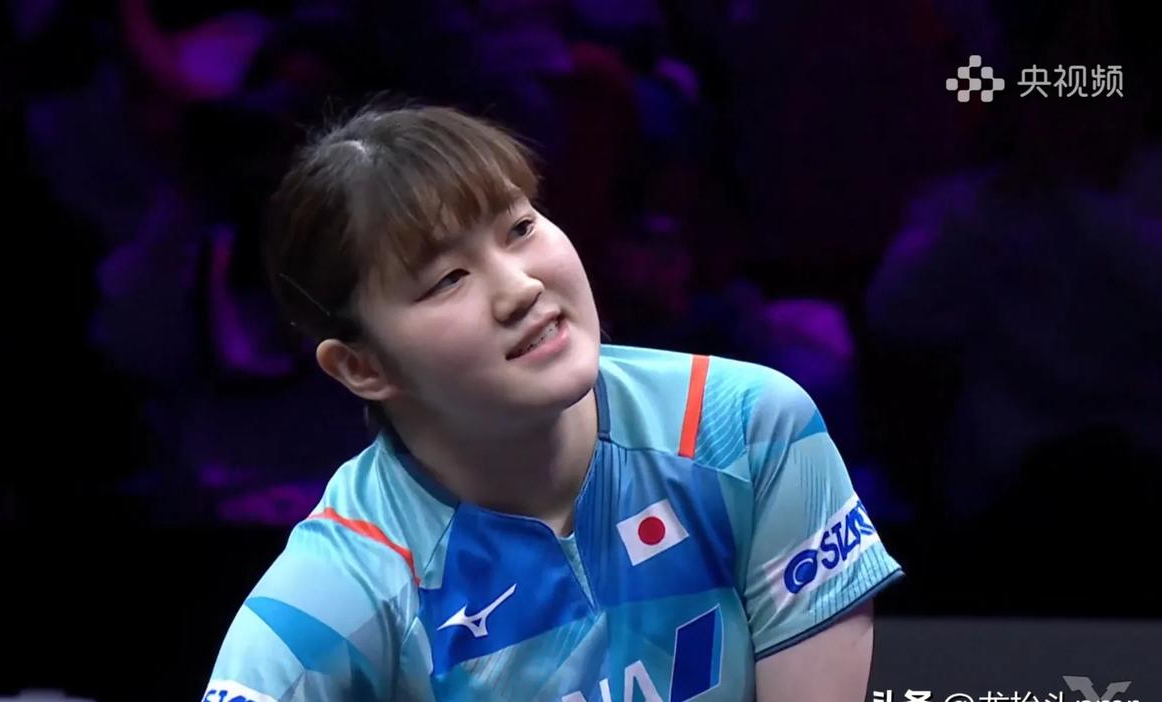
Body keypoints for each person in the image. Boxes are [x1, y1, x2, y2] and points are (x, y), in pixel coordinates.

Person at [201, 103, 903, 701]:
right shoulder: (344, 587)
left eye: (520, 228)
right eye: (447, 279)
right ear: (362, 366)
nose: (521, 288)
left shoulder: (745, 430)